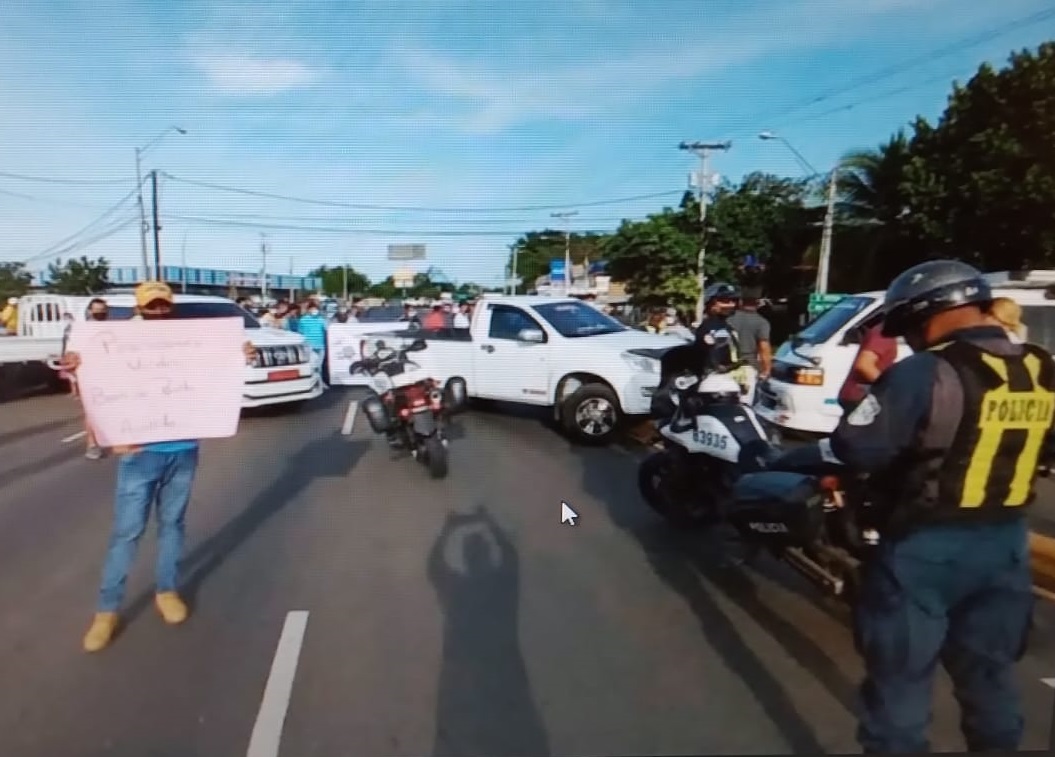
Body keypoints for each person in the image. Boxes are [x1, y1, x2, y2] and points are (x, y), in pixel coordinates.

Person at [821, 259, 1051, 753]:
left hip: (925, 549)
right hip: (1008, 546)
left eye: (910, 328)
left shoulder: (925, 371)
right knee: (990, 681)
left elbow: (857, 446)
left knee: (900, 692)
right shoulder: (1043, 368)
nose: (910, 339)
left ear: (927, 314)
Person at [61, 281, 258, 653]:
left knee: (172, 525)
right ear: (140, 307)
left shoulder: (192, 341)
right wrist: (76, 366)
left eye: (163, 305)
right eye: (151, 306)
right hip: (139, 453)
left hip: (183, 450)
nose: (158, 311)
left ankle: (166, 590)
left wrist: (242, 353)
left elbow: (218, 372)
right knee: (127, 532)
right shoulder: (115, 342)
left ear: (170, 306)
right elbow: (88, 379)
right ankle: (107, 611)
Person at [837, 319, 900, 417]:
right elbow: (864, 365)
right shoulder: (883, 334)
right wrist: (889, 389)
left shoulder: (884, 333)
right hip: (861, 397)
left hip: (860, 396)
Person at [78, 298, 110, 460]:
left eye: (103, 310)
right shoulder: (81, 331)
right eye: (97, 310)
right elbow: (71, 354)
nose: (100, 313)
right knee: (92, 411)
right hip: (90, 376)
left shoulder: (112, 328)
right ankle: (92, 444)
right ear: (90, 311)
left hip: (111, 375)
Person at [728, 294, 773, 381]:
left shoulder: (728, 319)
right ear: (757, 304)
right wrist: (767, 370)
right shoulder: (761, 322)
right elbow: (764, 348)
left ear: (741, 302)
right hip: (749, 365)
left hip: (728, 364)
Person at [296, 303, 328, 386]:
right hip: (310, 347)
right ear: (308, 310)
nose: (314, 311)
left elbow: (327, 329)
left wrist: (325, 318)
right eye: (312, 309)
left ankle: (320, 382)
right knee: (312, 366)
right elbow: (300, 332)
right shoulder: (303, 320)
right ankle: (312, 383)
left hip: (320, 346)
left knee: (319, 366)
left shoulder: (321, 319)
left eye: (316, 309)